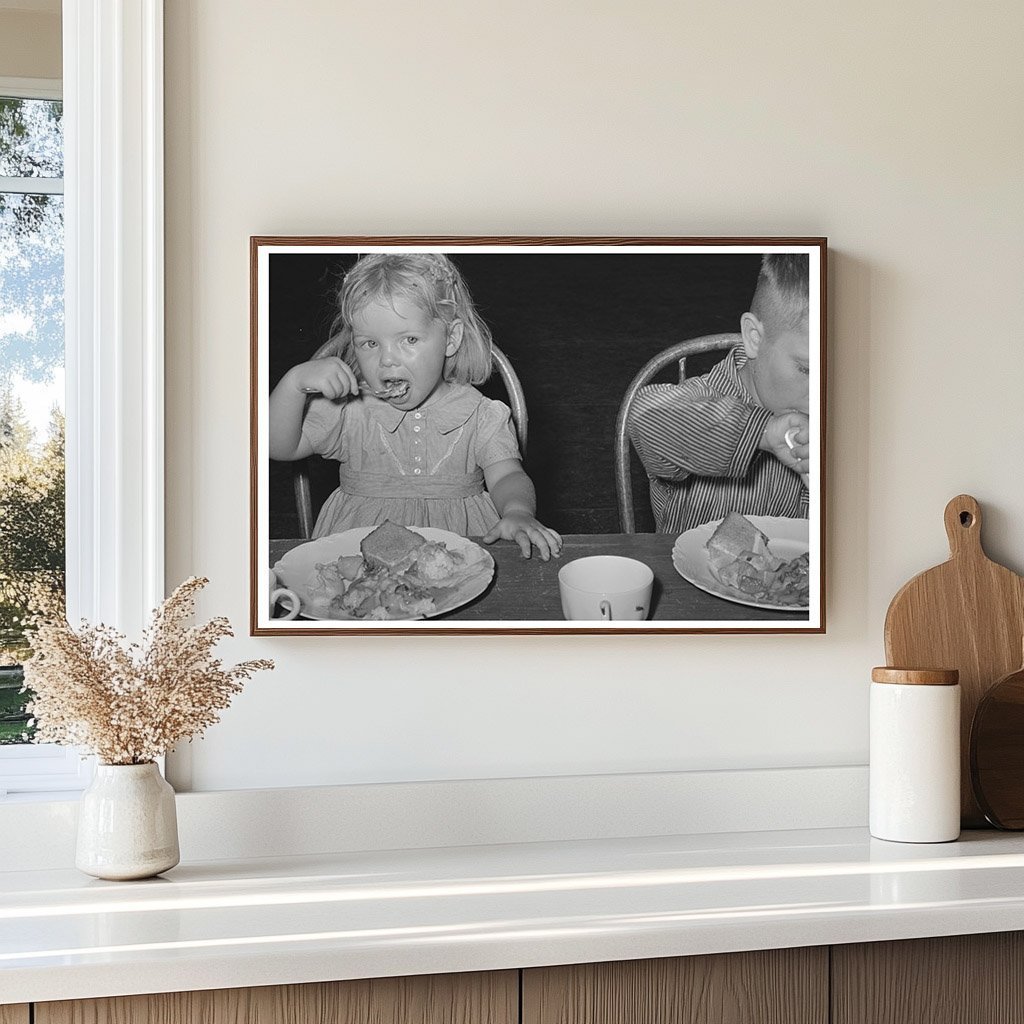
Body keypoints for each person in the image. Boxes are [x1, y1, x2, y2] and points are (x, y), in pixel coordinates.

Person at [269, 252, 562, 560]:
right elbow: (279, 447)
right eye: (370, 343)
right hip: (358, 555)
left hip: (458, 552)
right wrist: (292, 383)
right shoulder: (348, 410)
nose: (387, 359)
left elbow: (506, 476)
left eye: (408, 340)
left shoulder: (480, 415)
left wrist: (517, 511)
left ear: (451, 338)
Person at [627, 253, 811, 533]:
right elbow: (646, 416)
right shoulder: (706, 397)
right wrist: (763, 433)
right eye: (807, 370)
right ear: (754, 338)